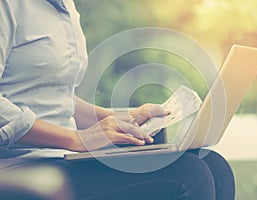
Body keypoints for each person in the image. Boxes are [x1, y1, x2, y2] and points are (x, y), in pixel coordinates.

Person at [0, 0, 235, 199]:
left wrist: (124, 117)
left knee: (216, 167)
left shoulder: (65, 6)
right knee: (188, 174)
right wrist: (77, 139)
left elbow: (57, 97)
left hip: (63, 159)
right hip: (21, 168)